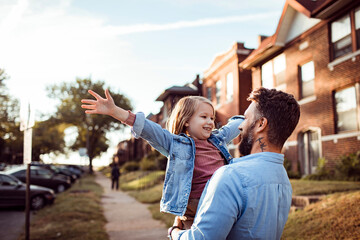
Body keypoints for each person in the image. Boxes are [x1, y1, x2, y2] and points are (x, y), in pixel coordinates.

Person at [81, 89, 244, 229]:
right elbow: (149, 129)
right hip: (195, 207)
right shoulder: (176, 144)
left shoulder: (218, 139)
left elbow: (236, 124)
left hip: (220, 200)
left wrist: (252, 113)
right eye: (204, 117)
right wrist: (116, 111)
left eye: (212, 118)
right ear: (186, 121)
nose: (210, 122)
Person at [168, 87, 300, 240]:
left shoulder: (231, 176)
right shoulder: (283, 180)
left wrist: (175, 232)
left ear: (261, 124)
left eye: (246, 119)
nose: (240, 126)